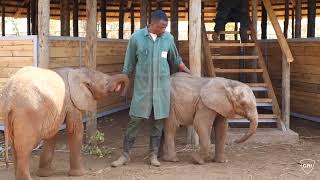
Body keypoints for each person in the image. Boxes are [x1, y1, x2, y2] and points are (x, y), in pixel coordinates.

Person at [111, 10, 191, 167]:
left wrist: (191, 74)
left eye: (165, 27)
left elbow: (176, 59)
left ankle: (153, 155)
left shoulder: (168, 38)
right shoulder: (136, 38)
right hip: (143, 89)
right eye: (162, 27)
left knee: (158, 122)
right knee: (134, 120)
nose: (164, 30)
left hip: (161, 90)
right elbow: (129, 64)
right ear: (152, 24)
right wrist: (121, 80)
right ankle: (125, 155)